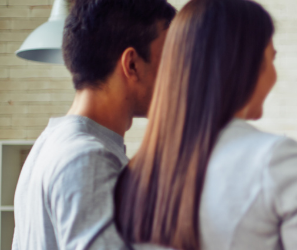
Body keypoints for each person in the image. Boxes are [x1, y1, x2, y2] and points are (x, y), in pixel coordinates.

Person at [113, 0, 297, 250]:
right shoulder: (275, 159)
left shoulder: (134, 175)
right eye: (271, 58)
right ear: (245, 63)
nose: (275, 74)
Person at [12, 0, 176, 249]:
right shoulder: (86, 159)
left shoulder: (50, 144)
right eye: (169, 59)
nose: (177, 74)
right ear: (132, 64)